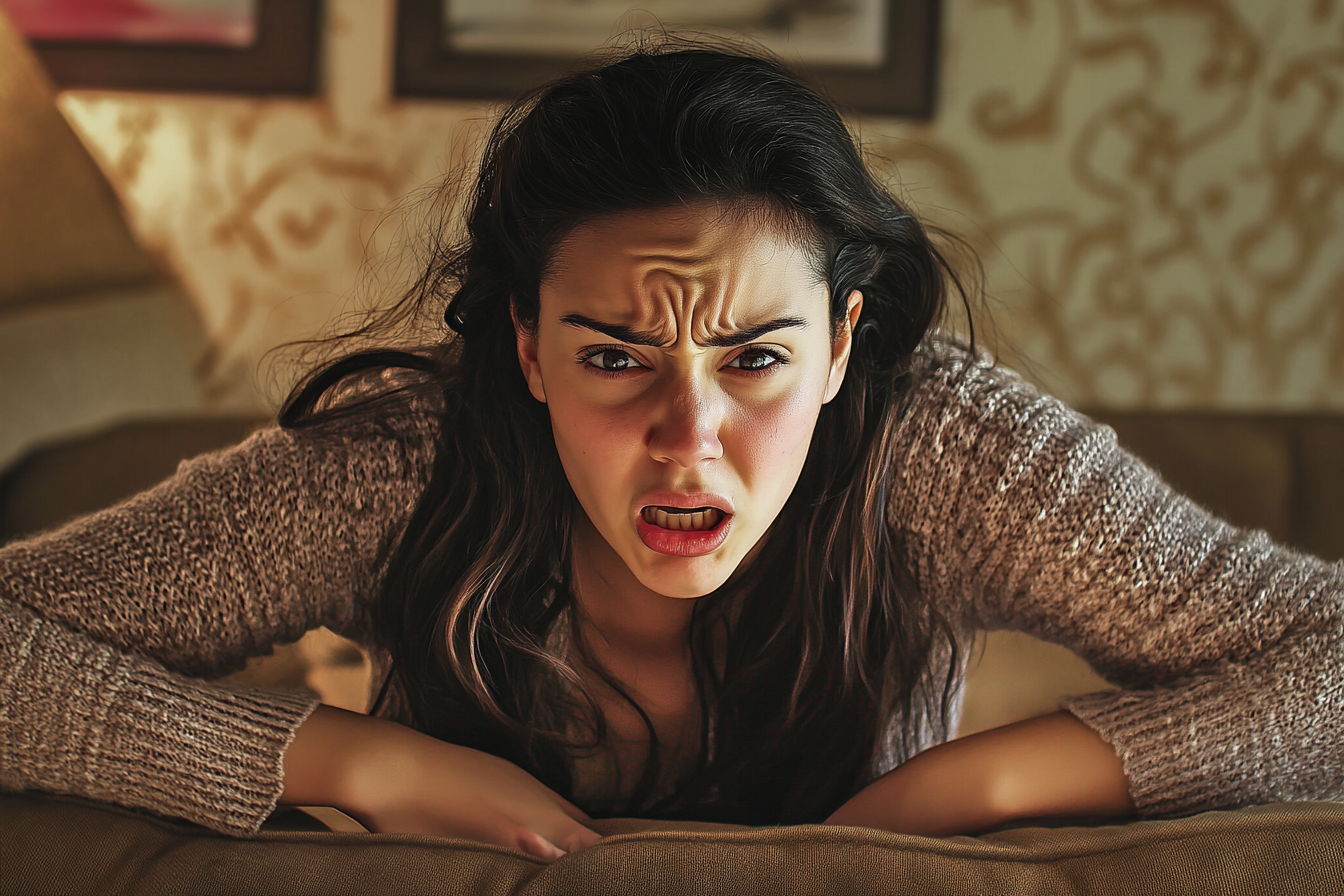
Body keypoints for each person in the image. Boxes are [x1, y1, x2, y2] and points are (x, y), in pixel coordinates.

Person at [1, 43, 1340, 864]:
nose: (687, 439)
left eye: (755, 357)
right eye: (612, 356)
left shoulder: (953, 451)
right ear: (524, 349)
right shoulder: (398, 466)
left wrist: (974, 784)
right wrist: (345, 761)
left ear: (839, 346)